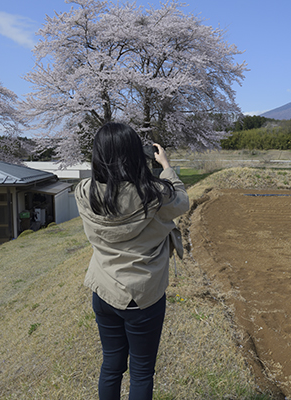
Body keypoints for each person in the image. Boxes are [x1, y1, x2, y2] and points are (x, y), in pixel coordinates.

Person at [75, 122, 189, 399]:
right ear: (136, 154)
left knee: (111, 366)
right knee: (141, 371)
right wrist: (165, 165)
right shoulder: (154, 193)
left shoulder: (84, 192)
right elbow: (183, 202)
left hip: (103, 291)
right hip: (142, 296)